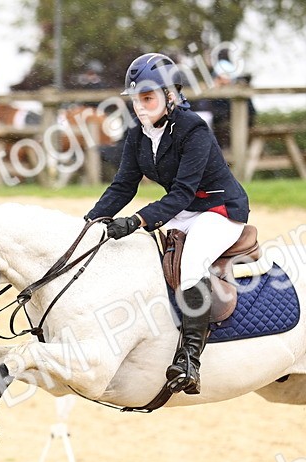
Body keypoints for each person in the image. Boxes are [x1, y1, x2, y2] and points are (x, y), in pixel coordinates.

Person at [85, 53, 250, 396]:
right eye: (136, 100)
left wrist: (136, 220)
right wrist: (91, 221)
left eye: (148, 98)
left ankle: (190, 359)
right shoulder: (138, 135)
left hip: (220, 209)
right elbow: (123, 186)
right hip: (184, 209)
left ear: (170, 96)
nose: (140, 107)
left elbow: (182, 192)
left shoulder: (194, 129)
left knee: (191, 265)